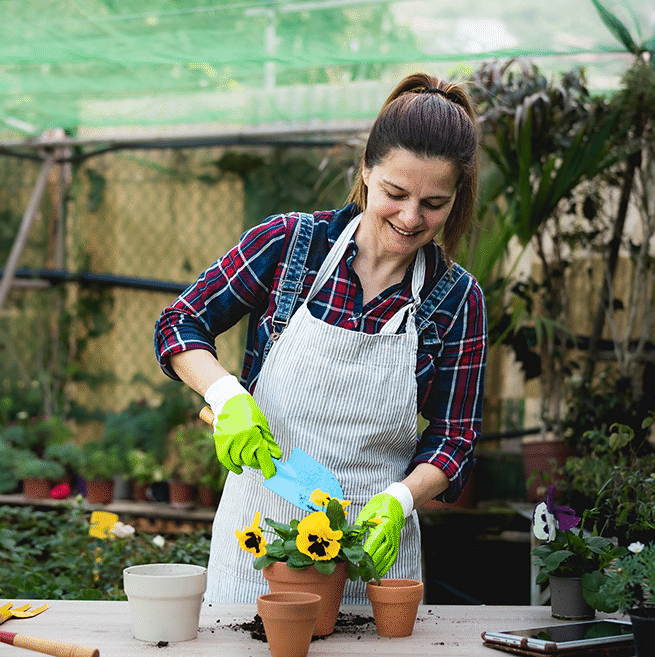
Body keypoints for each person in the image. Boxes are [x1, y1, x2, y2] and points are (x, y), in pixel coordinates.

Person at [154, 72, 487, 604]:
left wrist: (400, 500)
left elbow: (455, 438)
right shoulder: (291, 246)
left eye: (433, 203)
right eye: (395, 193)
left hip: (373, 558)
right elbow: (181, 322)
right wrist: (226, 396)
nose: (410, 217)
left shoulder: (456, 300)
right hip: (258, 547)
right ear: (366, 172)